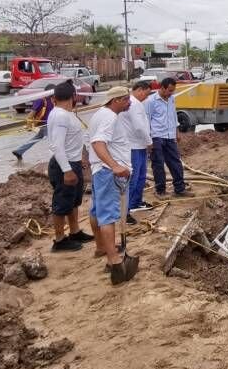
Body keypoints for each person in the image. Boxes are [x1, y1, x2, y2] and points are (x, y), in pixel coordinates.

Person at [88, 86, 138, 285]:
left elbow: (91, 141)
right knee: (108, 215)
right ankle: (114, 261)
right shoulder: (109, 117)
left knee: (96, 212)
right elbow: (98, 143)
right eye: (126, 99)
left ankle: (102, 247)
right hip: (108, 174)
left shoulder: (98, 115)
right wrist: (115, 166)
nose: (129, 103)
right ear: (116, 100)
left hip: (99, 171)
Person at [45, 81, 94, 252]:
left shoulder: (68, 114)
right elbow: (57, 146)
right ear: (73, 96)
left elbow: (73, 140)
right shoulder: (60, 116)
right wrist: (67, 170)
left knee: (73, 201)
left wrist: (80, 157)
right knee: (61, 203)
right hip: (63, 165)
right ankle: (59, 240)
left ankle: (74, 231)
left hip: (73, 162)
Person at [144, 77, 187, 197]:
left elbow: (173, 116)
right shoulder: (151, 101)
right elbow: (146, 120)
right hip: (156, 136)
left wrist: (177, 132)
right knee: (158, 164)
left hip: (169, 136)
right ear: (162, 88)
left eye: (173, 91)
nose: (171, 93)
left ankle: (179, 188)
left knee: (175, 162)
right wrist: (148, 140)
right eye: (169, 90)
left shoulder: (171, 99)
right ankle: (160, 191)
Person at [121, 80, 154, 216]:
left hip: (139, 145)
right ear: (139, 89)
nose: (146, 98)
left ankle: (136, 202)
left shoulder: (136, 103)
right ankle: (126, 209)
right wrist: (149, 142)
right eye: (145, 94)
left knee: (140, 176)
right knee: (133, 178)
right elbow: (139, 126)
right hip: (133, 146)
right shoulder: (133, 104)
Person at [12, 86, 55, 161]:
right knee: (53, 142)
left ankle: (19, 151)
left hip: (49, 125)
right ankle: (55, 160)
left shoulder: (53, 100)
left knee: (37, 138)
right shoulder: (41, 100)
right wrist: (29, 126)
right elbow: (30, 115)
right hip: (45, 125)